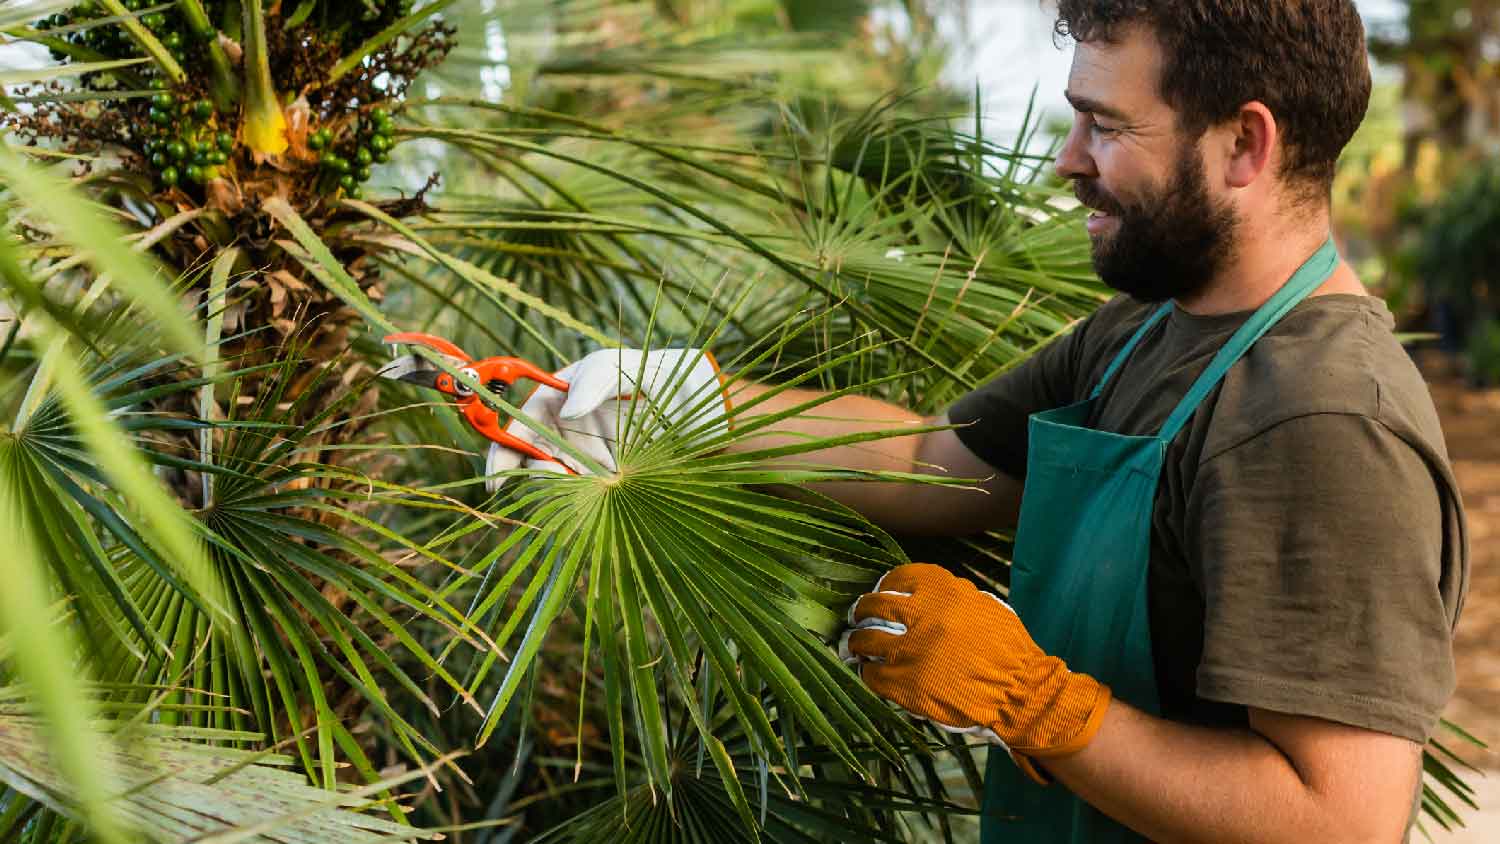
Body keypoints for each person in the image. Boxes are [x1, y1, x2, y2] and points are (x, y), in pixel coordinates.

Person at [487, 2, 1468, 841]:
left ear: (1243, 145)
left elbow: (1341, 818)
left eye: (1107, 127)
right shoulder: (1143, 331)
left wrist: (1033, 704)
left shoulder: (1327, 417)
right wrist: (675, 406)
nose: (1065, 161)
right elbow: (937, 457)